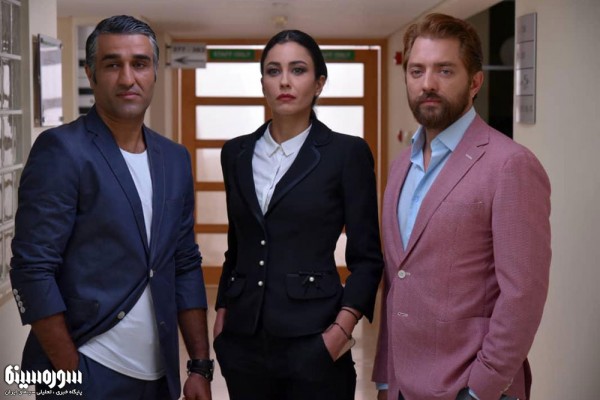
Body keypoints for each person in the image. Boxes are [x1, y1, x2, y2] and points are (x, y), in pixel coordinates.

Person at [10, 15, 212, 400]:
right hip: (87, 369)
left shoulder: (174, 159)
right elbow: (31, 269)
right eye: (112, 64)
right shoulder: (63, 150)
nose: (127, 78)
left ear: (155, 72)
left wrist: (199, 366)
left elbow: (185, 262)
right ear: (91, 74)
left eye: (139, 64)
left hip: (159, 377)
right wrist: (71, 373)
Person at [372, 13, 551, 400]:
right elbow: (397, 282)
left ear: (475, 83)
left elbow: (523, 295)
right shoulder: (401, 165)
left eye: (445, 70)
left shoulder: (510, 165)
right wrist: (386, 379)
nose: (428, 83)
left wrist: (481, 388)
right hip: (403, 384)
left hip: (470, 386)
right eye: (417, 71)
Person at [213, 29, 384, 400]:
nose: (285, 81)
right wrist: (222, 315)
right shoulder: (235, 153)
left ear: (319, 83)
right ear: (263, 82)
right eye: (273, 71)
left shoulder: (346, 154)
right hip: (242, 342)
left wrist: (340, 332)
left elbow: (368, 258)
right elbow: (238, 244)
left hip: (315, 339)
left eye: (298, 70)